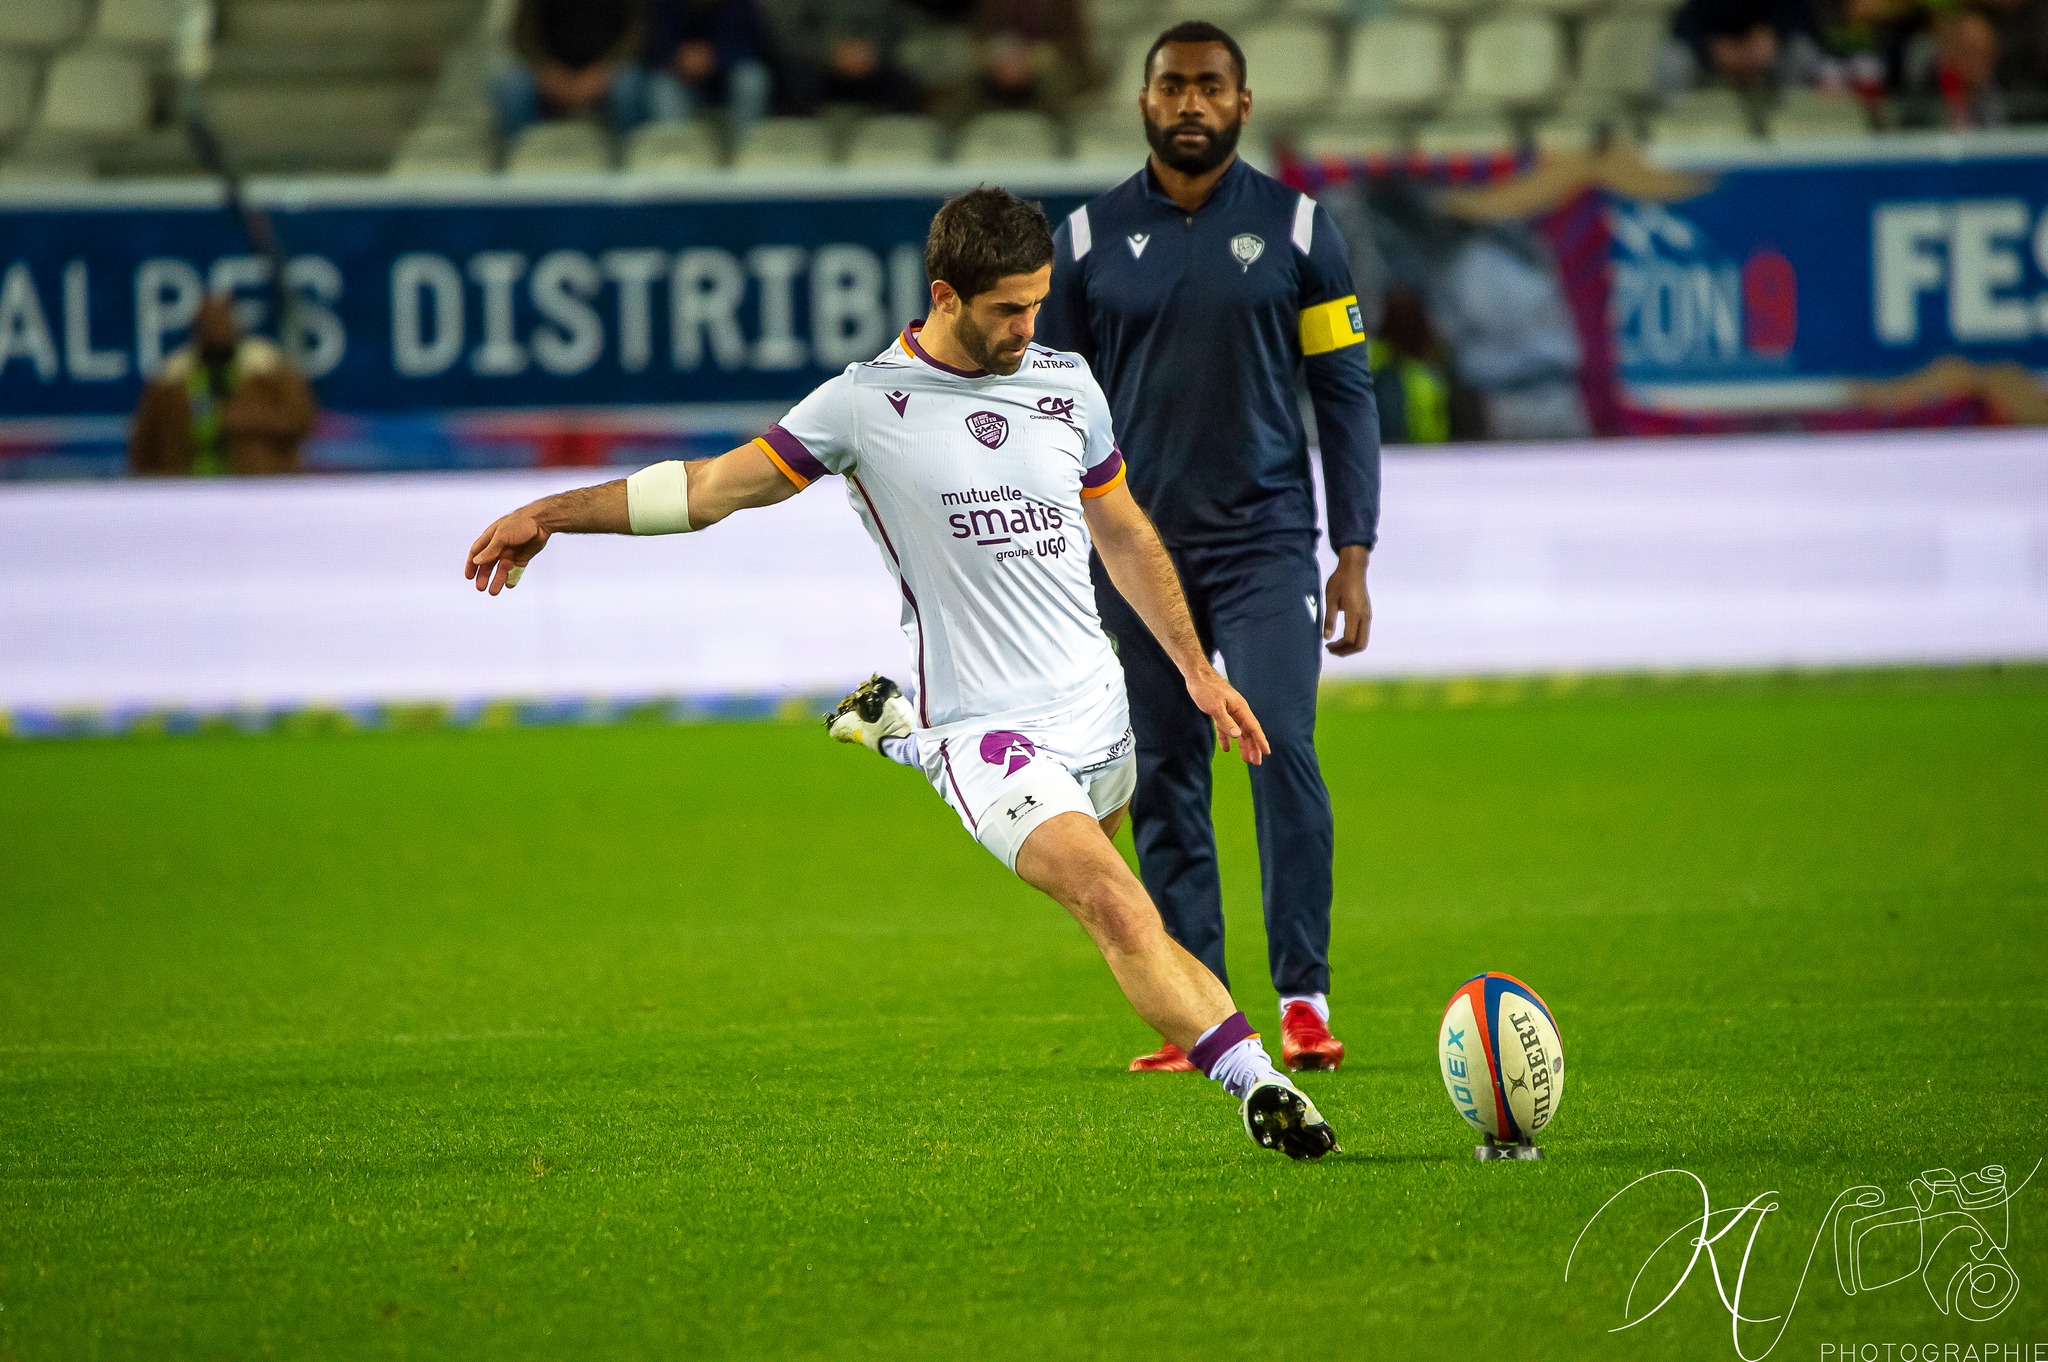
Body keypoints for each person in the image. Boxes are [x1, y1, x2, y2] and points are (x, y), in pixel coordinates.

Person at [462, 188, 1341, 1161]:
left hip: (1100, 712)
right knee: (1113, 900)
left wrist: (1193, 670)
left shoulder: (1063, 385)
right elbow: (709, 490)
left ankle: (901, 730)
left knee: (1109, 860)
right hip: (993, 734)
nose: (1026, 327)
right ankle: (1257, 1084)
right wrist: (551, 510)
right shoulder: (863, 405)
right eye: (1007, 308)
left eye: (1036, 304)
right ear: (943, 295)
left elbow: (1123, 529)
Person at [1033, 23, 1381, 1076]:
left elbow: (1344, 394)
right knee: (1165, 773)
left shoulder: (1301, 230)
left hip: (1265, 542)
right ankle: (1204, 1014)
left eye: (1209, 86)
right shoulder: (1085, 243)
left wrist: (1353, 549)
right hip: (1134, 553)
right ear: (1142, 102)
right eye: (1171, 85)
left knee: (1279, 743)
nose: (1190, 102)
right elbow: (1049, 405)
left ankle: (1304, 999)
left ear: (1241, 101)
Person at [129, 294, 316, 477]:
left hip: (258, 487)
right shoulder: (171, 379)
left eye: (222, 323)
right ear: (196, 330)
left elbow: (302, 420)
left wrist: (254, 419)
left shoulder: (267, 367)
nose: (216, 331)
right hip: (187, 491)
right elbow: (144, 445)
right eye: (209, 325)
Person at [493, 0, 652, 140]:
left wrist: (604, 70)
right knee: (510, 86)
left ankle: (628, 160)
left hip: (608, 71)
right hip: (551, 71)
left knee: (628, 87)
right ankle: (528, 159)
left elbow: (636, 31)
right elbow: (522, 33)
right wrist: (546, 69)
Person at [645, 0, 776, 140]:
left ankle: (747, 150)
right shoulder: (669, 5)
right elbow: (659, 47)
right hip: (685, 82)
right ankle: (677, 154)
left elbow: (753, 49)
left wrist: (715, 58)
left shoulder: (742, 5)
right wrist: (680, 58)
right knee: (662, 86)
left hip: (728, 80)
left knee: (753, 78)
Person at [771, 0, 924, 114]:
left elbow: (902, 25)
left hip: (875, 63)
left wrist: (874, 51)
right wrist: (828, 52)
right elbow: (791, 31)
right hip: (821, 66)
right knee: (796, 77)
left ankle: (892, 145)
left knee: (904, 79)